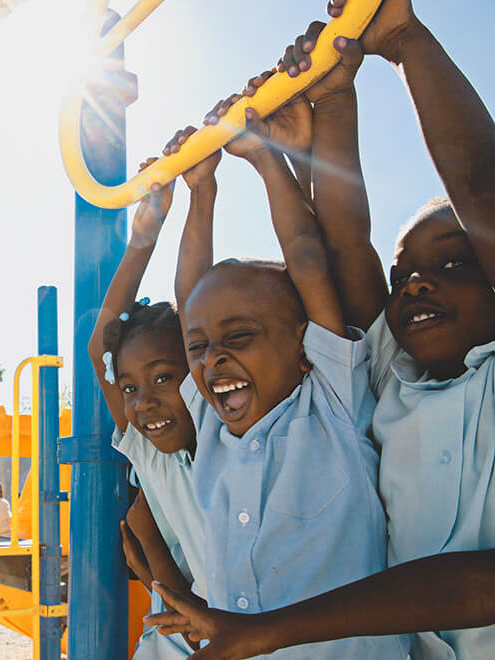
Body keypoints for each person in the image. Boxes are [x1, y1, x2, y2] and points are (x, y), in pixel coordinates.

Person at [150, 1, 495, 656]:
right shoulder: (395, 382)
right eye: (405, 276)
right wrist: (335, 97)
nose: (416, 284)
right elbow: (342, 249)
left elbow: (326, 256)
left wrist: (269, 159)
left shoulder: (337, 399)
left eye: (456, 263)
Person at [167, 47, 407, 655]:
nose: (211, 359)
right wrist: (201, 192)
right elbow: (186, 302)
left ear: (303, 345)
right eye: (200, 348)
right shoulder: (213, 425)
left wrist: (266, 161)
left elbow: (306, 254)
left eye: (239, 338)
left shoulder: (331, 401)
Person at [87, 167, 208, 659]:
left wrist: (204, 194)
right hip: (173, 643)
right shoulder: (154, 454)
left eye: (163, 378)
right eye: (130, 388)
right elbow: (102, 350)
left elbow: (196, 303)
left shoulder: (231, 439)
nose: (143, 403)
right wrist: (146, 232)